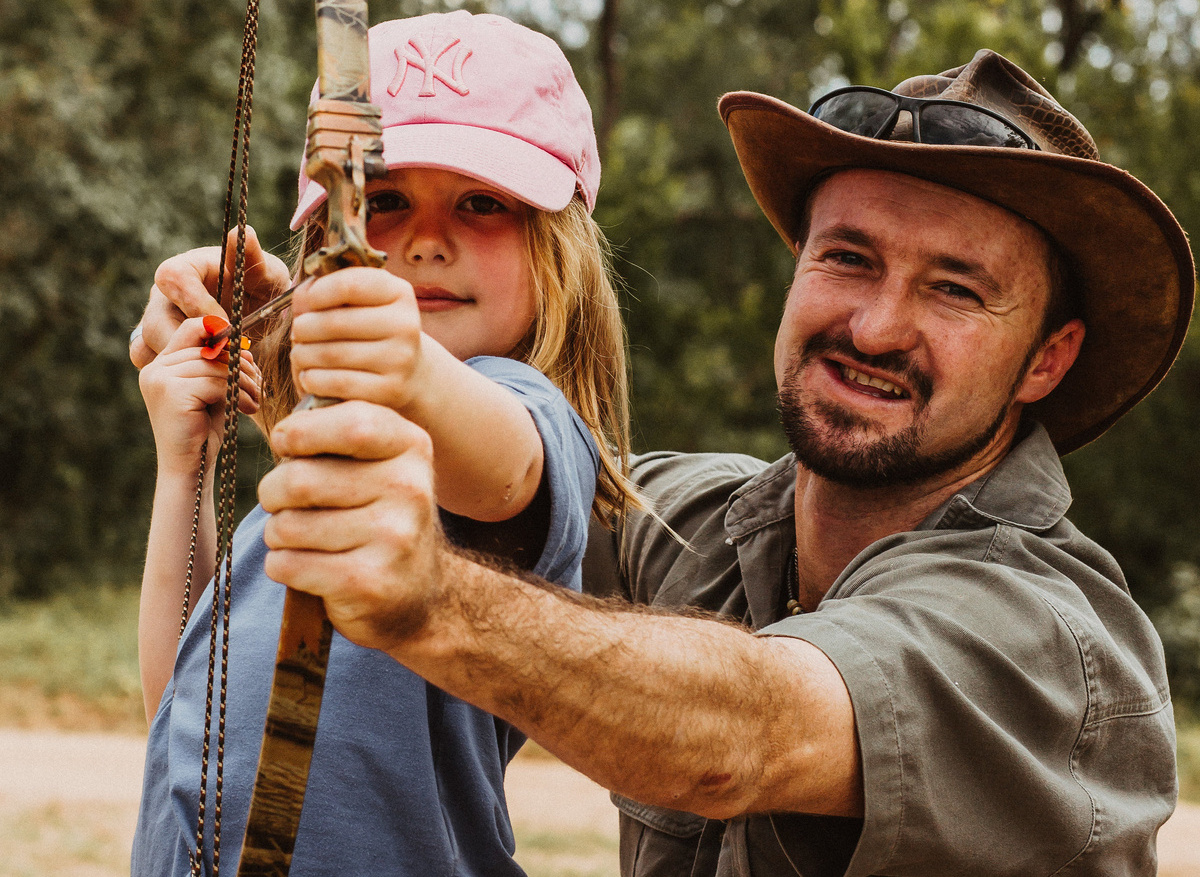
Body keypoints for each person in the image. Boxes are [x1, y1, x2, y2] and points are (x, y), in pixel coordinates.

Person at [141, 51, 1194, 875]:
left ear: (1048, 357)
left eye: (955, 288)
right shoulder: (692, 522)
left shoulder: (1051, 638)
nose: (876, 325)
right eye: (848, 257)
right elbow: (502, 480)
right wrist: (277, 363)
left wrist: (430, 599)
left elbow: (745, 732)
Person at [129, 11, 633, 875]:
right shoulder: (321, 477)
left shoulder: (524, 417)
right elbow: (179, 705)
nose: (426, 241)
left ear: (559, 254)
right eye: (385, 200)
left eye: (482, 203)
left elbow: (508, 471)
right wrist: (187, 466)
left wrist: (393, 357)